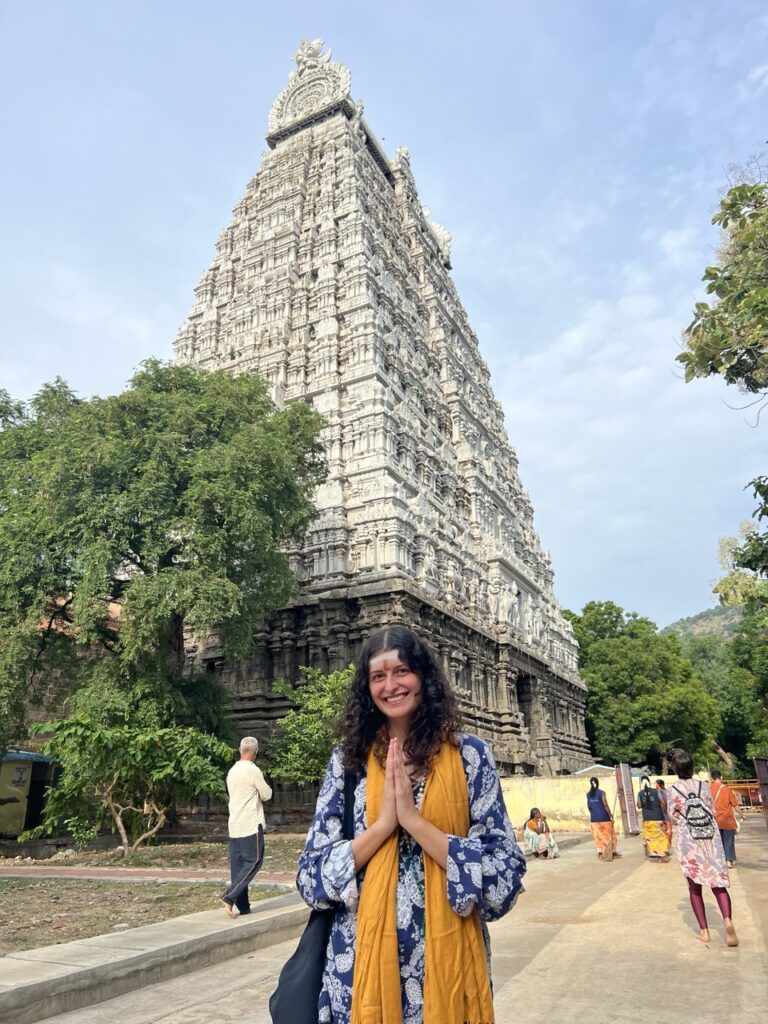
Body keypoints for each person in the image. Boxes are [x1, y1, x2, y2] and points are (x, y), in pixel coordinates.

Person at [297, 625, 526, 1024]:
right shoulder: (348, 763)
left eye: (401, 671)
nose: (391, 685)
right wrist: (383, 826)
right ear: (366, 688)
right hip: (358, 972)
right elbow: (310, 878)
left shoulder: (469, 757)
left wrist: (415, 823)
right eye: (378, 676)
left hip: (449, 968)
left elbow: (503, 877)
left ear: (424, 677)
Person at [667, 748, 737, 947]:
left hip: (690, 841)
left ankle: (705, 932)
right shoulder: (704, 786)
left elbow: (672, 816)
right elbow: (712, 810)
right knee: (718, 883)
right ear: (692, 766)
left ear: (674, 769)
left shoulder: (672, 790)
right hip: (711, 838)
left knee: (694, 887)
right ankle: (728, 920)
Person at [220, 735, 272, 918]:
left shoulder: (232, 770)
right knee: (254, 861)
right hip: (250, 824)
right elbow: (266, 795)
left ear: (240, 750)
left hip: (235, 824)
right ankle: (228, 896)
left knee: (239, 868)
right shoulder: (253, 770)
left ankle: (244, 906)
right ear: (255, 752)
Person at [710, 769, 744, 869]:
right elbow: (735, 805)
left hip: (715, 820)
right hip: (728, 820)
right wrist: (742, 815)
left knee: (718, 842)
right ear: (721, 778)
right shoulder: (727, 789)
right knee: (729, 840)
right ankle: (729, 861)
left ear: (712, 779)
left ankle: (720, 861)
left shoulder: (708, 789)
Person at [636, 775, 670, 861]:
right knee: (661, 836)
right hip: (658, 817)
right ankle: (662, 855)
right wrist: (665, 812)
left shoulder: (640, 793)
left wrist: (644, 801)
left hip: (647, 819)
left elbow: (639, 806)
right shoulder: (656, 791)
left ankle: (655, 854)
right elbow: (663, 802)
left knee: (651, 837)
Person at [586, 776, 621, 859]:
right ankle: (611, 852)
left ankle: (600, 853)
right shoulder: (602, 793)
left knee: (598, 837)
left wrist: (594, 813)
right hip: (604, 818)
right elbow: (605, 804)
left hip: (594, 819)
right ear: (597, 783)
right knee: (609, 835)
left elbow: (589, 806)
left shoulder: (588, 794)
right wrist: (610, 815)